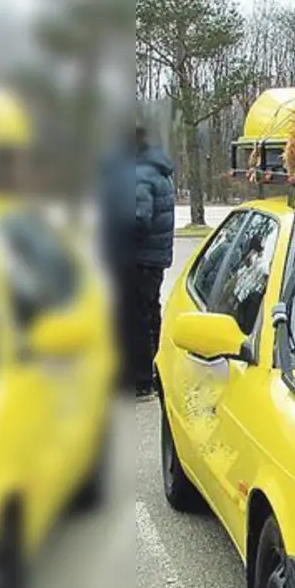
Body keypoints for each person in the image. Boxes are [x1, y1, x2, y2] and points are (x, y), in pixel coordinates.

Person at [100, 125, 174, 398]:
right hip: (154, 257)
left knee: (134, 319)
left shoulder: (140, 174)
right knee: (149, 314)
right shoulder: (158, 170)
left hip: (138, 258)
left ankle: (139, 380)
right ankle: (155, 369)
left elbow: (139, 218)